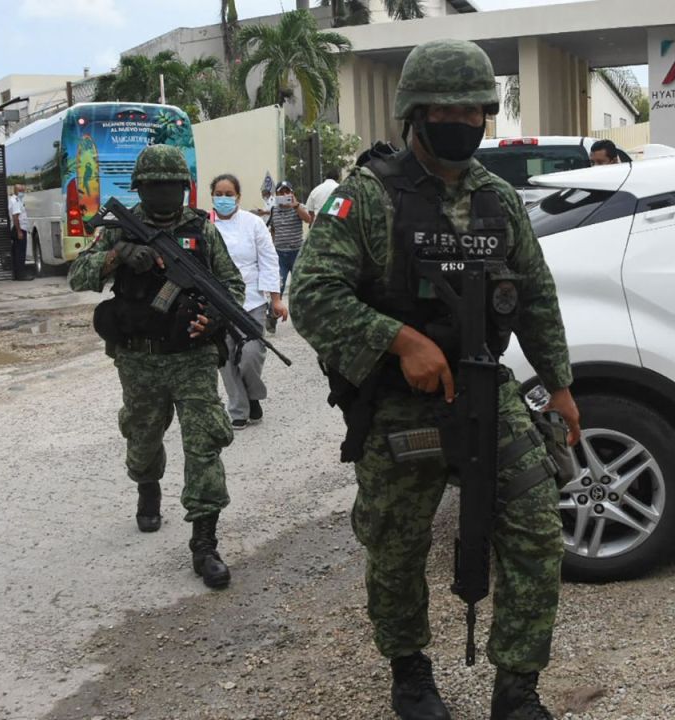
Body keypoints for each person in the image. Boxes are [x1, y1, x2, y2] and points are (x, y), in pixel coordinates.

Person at [290, 38, 581, 720]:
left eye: (474, 108)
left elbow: (535, 295)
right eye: (445, 108)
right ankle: (410, 673)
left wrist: (560, 384)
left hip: (487, 390)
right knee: (397, 544)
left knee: (537, 529)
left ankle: (518, 689)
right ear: (414, 113)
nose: (462, 120)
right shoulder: (366, 197)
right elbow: (312, 296)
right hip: (402, 403)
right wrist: (400, 339)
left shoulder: (498, 199)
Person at [67, 144, 246, 590]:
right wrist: (118, 256)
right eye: (156, 186)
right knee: (143, 436)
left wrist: (215, 319)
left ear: (184, 188)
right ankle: (148, 484)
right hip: (139, 358)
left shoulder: (202, 233)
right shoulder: (119, 229)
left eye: (173, 185)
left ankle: (204, 543)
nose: (165, 193)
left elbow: (232, 286)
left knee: (204, 440)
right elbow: (79, 276)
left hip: (192, 357)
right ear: (141, 189)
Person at [209, 173, 287, 429]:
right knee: (226, 357)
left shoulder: (253, 224)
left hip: (251, 301)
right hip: (217, 304)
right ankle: (239, 409)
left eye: (228, 194)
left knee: (251, 355)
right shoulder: (205, 226)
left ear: (238, 197)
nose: (223, 199)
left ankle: (252, 394)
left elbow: (268, 260)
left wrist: (275, 299)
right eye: (218, 194)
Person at [270, 180, 313, 293]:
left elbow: (308, 220)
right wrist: (272, 248)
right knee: (278, 286)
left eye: (287, 192)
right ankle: (274, 310)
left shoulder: (299, 207)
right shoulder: (273, 210)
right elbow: (273, 230)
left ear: (292, 193)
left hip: (297, 254)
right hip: (280, 255)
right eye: (281, 193)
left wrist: (296, 206)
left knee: (300, 287)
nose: (284, 195)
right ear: (277, 195)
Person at [8, 184, 33, 280]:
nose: (23, 192)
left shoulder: (17, 200)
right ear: (16, 191)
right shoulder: (15, 201)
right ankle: (20, 275)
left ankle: (17, 274)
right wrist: (19, 231)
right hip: (19, 228)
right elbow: (15, 217)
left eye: (23, 190)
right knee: (20, 253)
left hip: (20, 228)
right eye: (21, 191)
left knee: (17, 252)